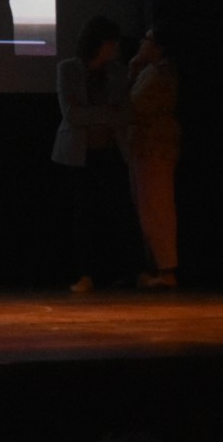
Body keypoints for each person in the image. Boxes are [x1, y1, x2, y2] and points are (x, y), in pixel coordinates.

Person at [52, 15, 134, 292]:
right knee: (82, 216)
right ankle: (85, 274)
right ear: (99, 43)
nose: (115, 48)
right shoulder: (68, 69)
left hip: (111, 151)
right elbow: (72, 115)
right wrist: (106, 113)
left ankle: (125, 272)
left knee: (118, 212)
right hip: (77, 155)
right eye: (111, 43)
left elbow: (124, 113)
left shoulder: (118, 71)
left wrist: (95, 114)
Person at [127, 23, 180, 288]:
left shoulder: (162, 74)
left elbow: (134, 105)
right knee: (148, 208)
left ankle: (166, 269)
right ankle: (158, 267)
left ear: (159, 47)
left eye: (146, 40)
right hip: (144, 147)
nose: (141, 44)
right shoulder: (151, 70)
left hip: (155, 148)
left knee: (157, 208)